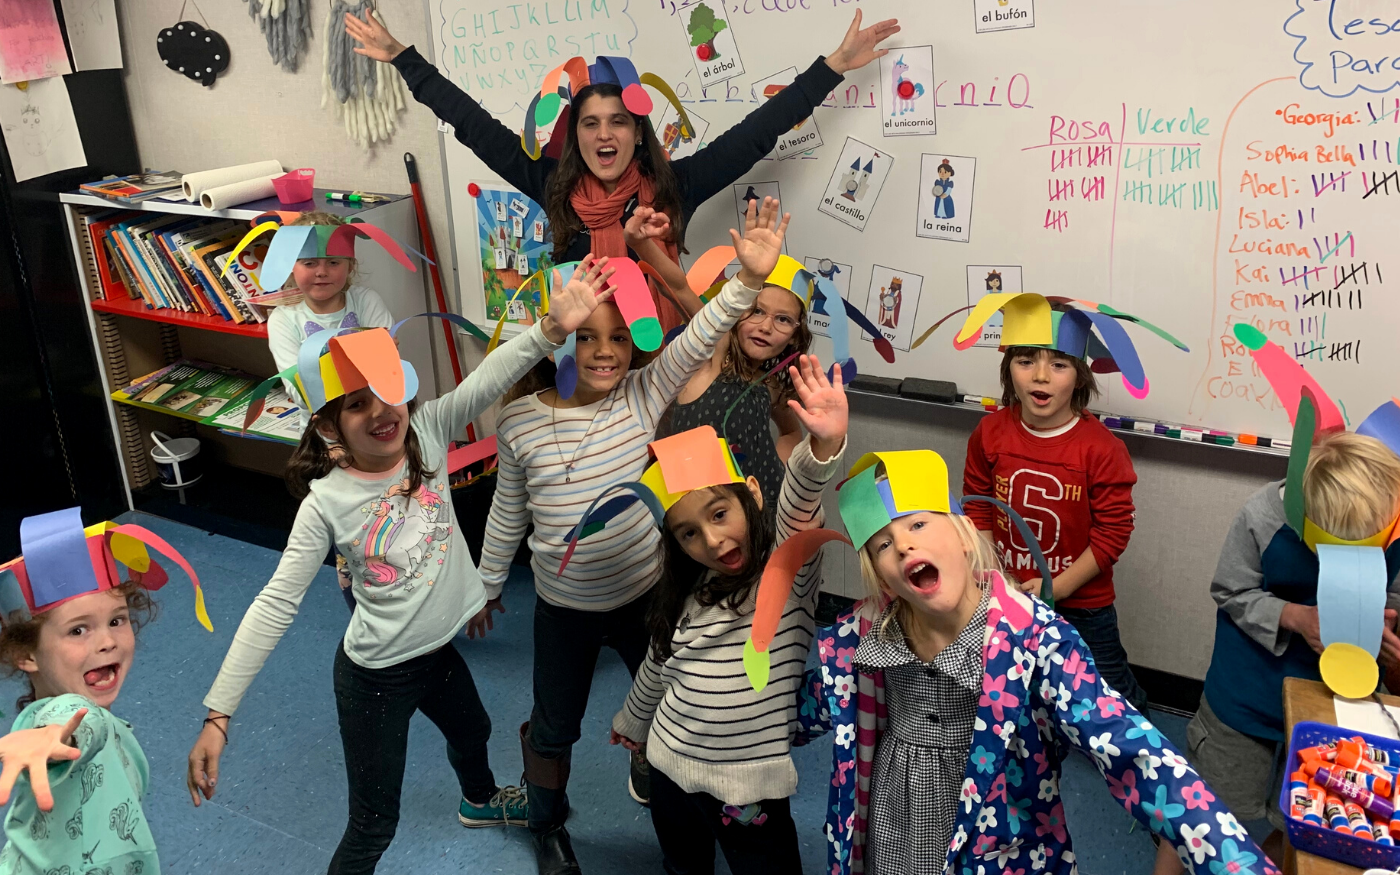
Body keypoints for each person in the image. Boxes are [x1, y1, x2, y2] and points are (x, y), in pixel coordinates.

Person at [184, 261, 617, 874]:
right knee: (373, 824)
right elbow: (275, 603)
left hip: (436, 652)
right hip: (375, 678)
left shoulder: (429, 433)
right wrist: (218, 714)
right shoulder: (326, 502)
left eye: (389, 392)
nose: (383, 412)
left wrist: (550, 328)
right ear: (329, 425)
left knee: (474, 730)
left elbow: (489, 378)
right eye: (357, 405)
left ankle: (479, 800)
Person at [478, 200, 787, 875]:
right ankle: (547, 822)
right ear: (557, 340)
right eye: (586, 337)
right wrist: (487, 583)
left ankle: (657, 774)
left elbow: (701, 334)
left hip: (647, 594)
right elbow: (507, 510)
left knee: (661, 702)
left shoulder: (643, 394)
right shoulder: (522, 422)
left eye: (618, 337)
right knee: (554, 724)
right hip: (563, 608)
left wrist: (744, 282)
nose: (605, 351)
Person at [795, 452, 1281, 875]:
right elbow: (807, 712)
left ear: (964, 536)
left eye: (918, 524)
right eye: (882, 544)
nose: (902, 545)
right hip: (894, 818)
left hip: (998, 836)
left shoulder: (1032, 637)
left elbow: (1133, 749)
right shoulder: (864, 638)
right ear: (880, 575)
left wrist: (1234, 858)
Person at [344, 9, 897, 334]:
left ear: (638, 133)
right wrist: (403, 59)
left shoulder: (676, 186)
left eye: (617, 122)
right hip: (580, 355)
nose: (603, 134)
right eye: (590, 123)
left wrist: (830, 70)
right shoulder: (551, 184)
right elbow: (473, 125)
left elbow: (756, 133)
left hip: (667, 359)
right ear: (575, 133)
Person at [608, 354, 847, 874]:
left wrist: (821, 449)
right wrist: (634, 720)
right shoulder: (690, 590)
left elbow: (800, 505)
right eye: (688, 533)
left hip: (747, 786)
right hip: (669, 763)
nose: (711, 540)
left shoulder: (785, 575)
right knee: (683, 862)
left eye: (720, 514)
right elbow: (659, 661)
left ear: (753, 496)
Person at [1170, 335, 1400, 871]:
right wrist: (1295, 617)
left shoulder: (1390, 525)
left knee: (1298, 819)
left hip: (1333, 704)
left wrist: (1386, 628)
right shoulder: (1265, 516)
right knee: (1200, 812)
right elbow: (1230, 591)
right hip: (1245, 697)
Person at [954, 293, 1193, 716]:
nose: (1041, 376)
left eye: (1059, 364)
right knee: (1014, 682)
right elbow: (978, 508)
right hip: (1006, 591)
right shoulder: (989, 433)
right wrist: (993, 574)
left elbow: (1113, 534)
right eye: (1026, 361)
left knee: (1109, 694)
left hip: (1083, 603)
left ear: (1080, 376)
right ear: (1008, 368)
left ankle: (1140, 754)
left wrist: (1057, 588)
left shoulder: (1102, 449)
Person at [0, 508, 208, 874]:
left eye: (117, 620)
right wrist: (50, 737)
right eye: (78, 630)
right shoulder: (62, 716)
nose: (108, 641)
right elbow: (77, 720)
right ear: (25, 654)